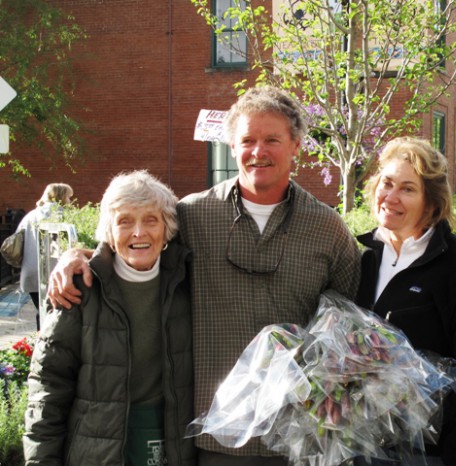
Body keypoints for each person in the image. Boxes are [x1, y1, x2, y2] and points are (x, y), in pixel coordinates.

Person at [47, 86, 362, 466]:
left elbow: (348, 329)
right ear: (232, 147)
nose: (258, 151)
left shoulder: (328, 228)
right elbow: (134, 243)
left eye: (272, 140)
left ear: (296, 145)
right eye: (247, 140)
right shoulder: (193, 216)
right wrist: (74, 257)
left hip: (299, 438)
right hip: (215, 439)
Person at [24, 170, 196, 466]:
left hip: (172, 445)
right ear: (110, 232)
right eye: (125, 221)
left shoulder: (187, 282)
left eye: (151, 220)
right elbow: (48, 387)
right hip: (97, 449)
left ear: (167, 228)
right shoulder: (78, 288)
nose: (139, 233)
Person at [355, 137, 456, 466]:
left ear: (431, 202)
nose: (391, 197)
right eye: (387, 183)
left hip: (429, 455)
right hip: (360, 448)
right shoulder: (362, 258)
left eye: (408, 189)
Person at [17, 182, 73, 328]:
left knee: (41, 311)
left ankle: (39, 343)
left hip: (31, 270)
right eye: (68, 197)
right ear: (61, 197)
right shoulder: (62, 215)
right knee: (56, 312)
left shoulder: (30, 215)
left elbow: (18, 240)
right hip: (54, 271)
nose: (70, 201)